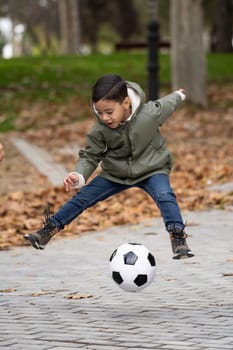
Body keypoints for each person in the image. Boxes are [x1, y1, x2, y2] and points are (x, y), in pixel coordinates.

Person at [24, 74, 194, 260]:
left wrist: (179, 95)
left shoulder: (149, 114)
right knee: (83, 197)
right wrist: (78, 175)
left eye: (109, 112)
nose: (104, 118)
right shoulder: (100, 130)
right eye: (99, 113)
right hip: (116, 173)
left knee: (165, 195)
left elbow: (167, 104)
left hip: (152, 169)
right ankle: (46, 232)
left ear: (126, 103)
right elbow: (90, 155)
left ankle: (178, 238)